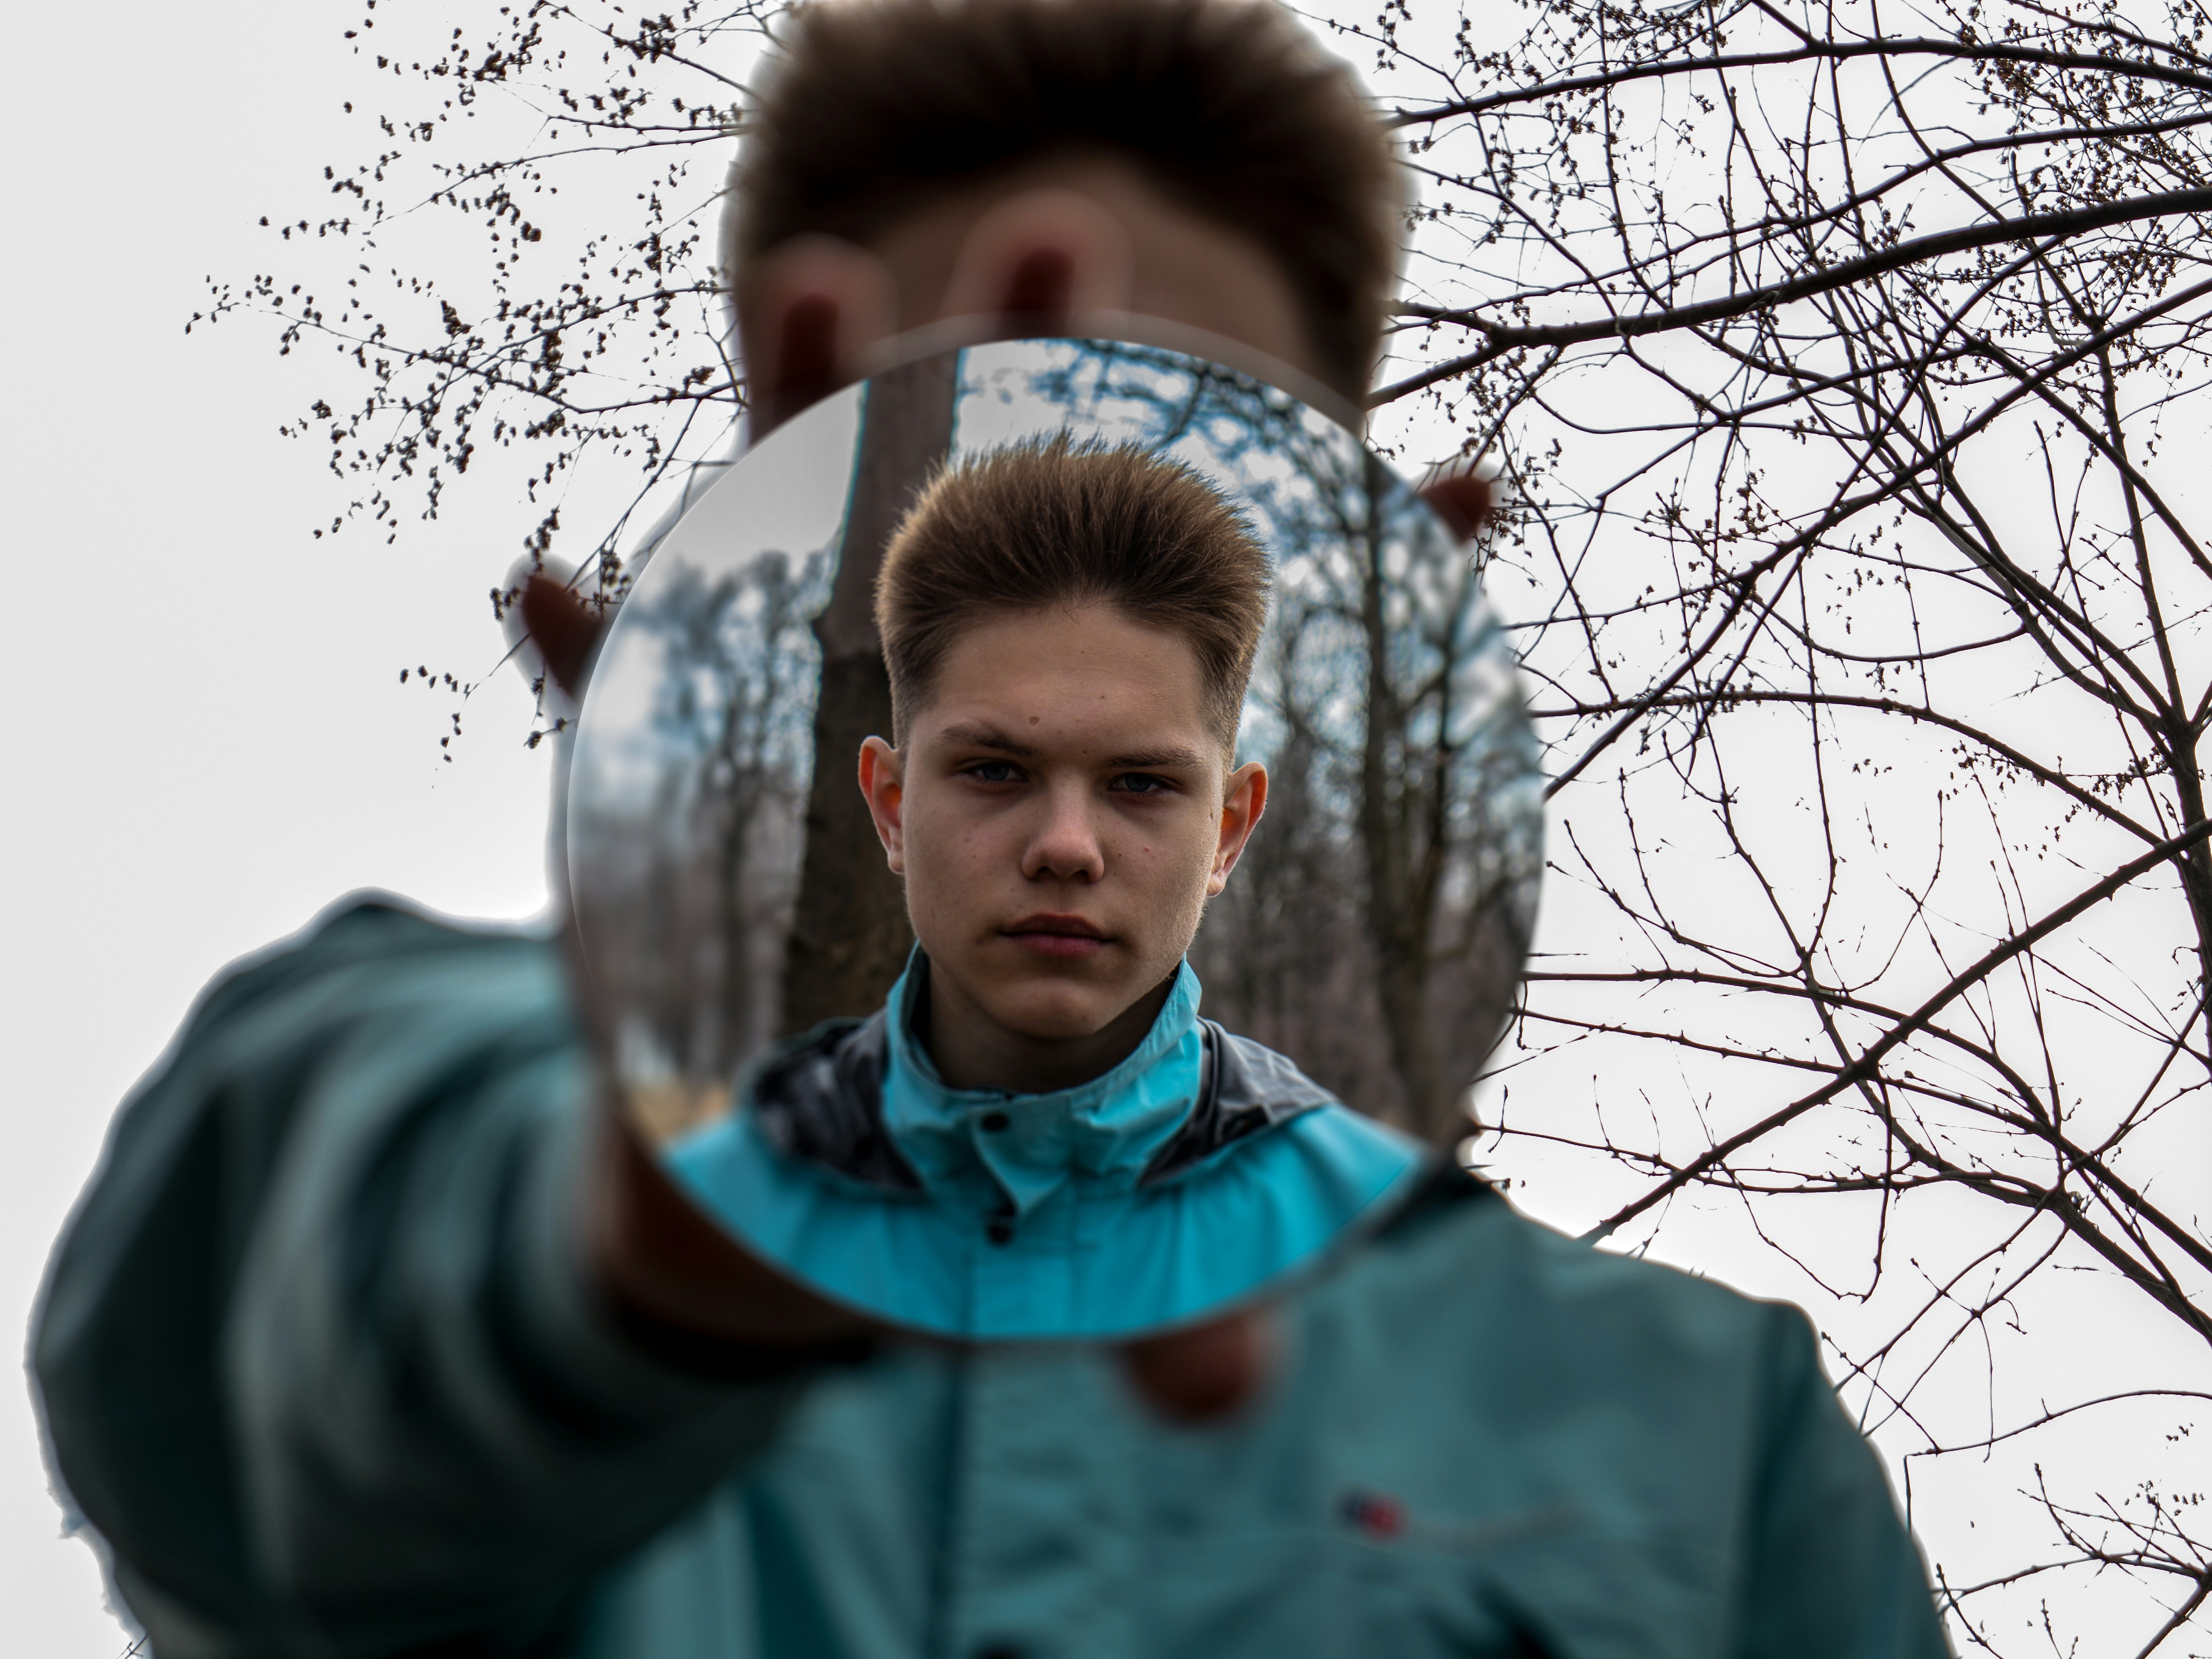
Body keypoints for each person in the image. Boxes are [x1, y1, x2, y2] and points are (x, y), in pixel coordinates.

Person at [31, 1, 1950, 1655]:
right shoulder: (411, 1137)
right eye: (957, 425)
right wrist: (628, 1234)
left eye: (1179, 441)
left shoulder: (1698, 1437)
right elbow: (248, 1344)